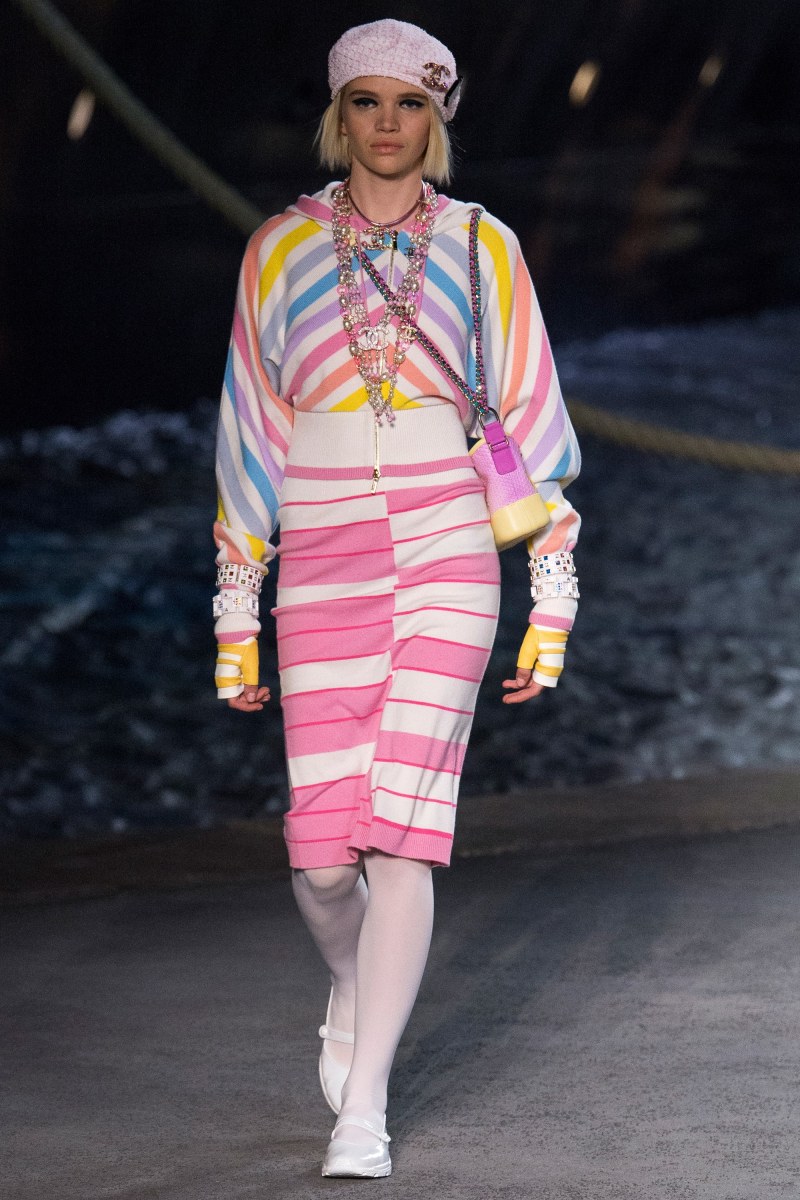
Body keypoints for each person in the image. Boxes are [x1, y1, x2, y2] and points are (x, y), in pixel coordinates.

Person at [211, 18, 581, 1179]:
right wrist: (235, 614)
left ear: (437, 116)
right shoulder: (278, 247)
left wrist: (551, 598)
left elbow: (529, 419)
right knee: (324, 861)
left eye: (409, 103)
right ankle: (351, 986)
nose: (386, 124)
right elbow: (249, 431)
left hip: (448, 540)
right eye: (365, 102)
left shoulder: (482, 245)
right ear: (338, 115)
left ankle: (362, 1107)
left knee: (403, 834)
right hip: (319, 550)